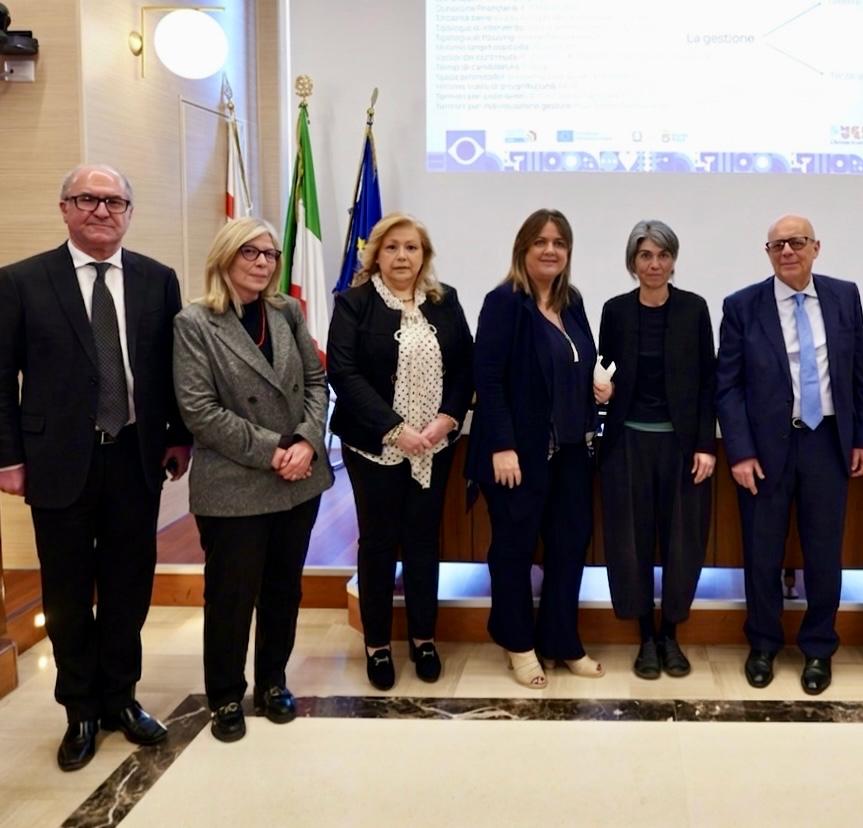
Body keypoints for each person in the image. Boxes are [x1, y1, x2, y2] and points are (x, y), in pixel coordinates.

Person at [0, 164, 192, 771]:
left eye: (114, 201)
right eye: (87, 199)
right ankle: (79, 708)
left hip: (135, 455)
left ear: (130, 212)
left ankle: (121, 698)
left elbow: (171, 370)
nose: (101, 210)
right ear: (64, 208)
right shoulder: (22, 281)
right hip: (56, 460)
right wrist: (8, 456)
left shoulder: (158, 280)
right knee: (65, 590)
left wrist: (178, 438)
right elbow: (1, 378)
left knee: (129, 584)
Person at [173, 217, 332, 742]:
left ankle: (272, 683)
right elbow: (199, 410)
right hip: (234, 481)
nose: (263, 262)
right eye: (251, 252)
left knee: (283, 590)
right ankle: (224, 695)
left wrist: (307, 441)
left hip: (298, 478)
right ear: (225, 256)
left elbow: (316, 381)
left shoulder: (286, 311)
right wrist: (274, 451)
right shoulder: (195, 322)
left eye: (270, 254)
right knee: (232, 596)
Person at [716, 214, 863, 696]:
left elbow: (859, 373)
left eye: (797, 242)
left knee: (824, 553)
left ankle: (819, 648)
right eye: (778, 245)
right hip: (765, 450)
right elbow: (728, 387)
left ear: (815, 248)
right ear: (768, 253)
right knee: (762, 551)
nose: (787, 251)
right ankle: (763, 644)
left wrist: (862, 438)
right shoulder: (742, 306)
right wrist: (740, 452)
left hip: (827, 442)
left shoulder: (844, 296)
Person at [465, 208, 612, 689]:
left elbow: (580, 360)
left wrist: (598, 387)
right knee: (514, 548)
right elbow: (488, 378)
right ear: (523, 249)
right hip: (518, 454)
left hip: (571, 451)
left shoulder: (573, 301)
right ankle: (518, 643)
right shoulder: (504, 302)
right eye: (540, 242)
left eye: (559, 243)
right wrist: (502, 446)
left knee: (570, 545)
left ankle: (561, 640)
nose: (551, 250)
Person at [328, 214, 473, 690]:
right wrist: (394, 429)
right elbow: (343, 373)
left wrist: (447, 419)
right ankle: (377, 644)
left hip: (434, 444)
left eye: (411, 247)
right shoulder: (353, 303)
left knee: (423, 540)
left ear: (424, 255)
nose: (402, 256)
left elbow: (466, 366)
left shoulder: (445, 301)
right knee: (378, 542)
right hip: (374, 446)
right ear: (376, 255)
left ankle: (423, 638)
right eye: (391, 247)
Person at [597, 220, 716, 679]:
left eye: (663, 255)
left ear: (673, 260)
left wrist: (705, 445)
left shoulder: (694, 309)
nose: (654, 264)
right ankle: (645, 635)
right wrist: (602, 390)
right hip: (627, 442)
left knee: (682, 543)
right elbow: (605, 371)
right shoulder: (615, 311)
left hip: (681, 446)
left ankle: (671, 633)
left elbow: (707, 383)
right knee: (631, 543)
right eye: (645, 255)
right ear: (633, 262)